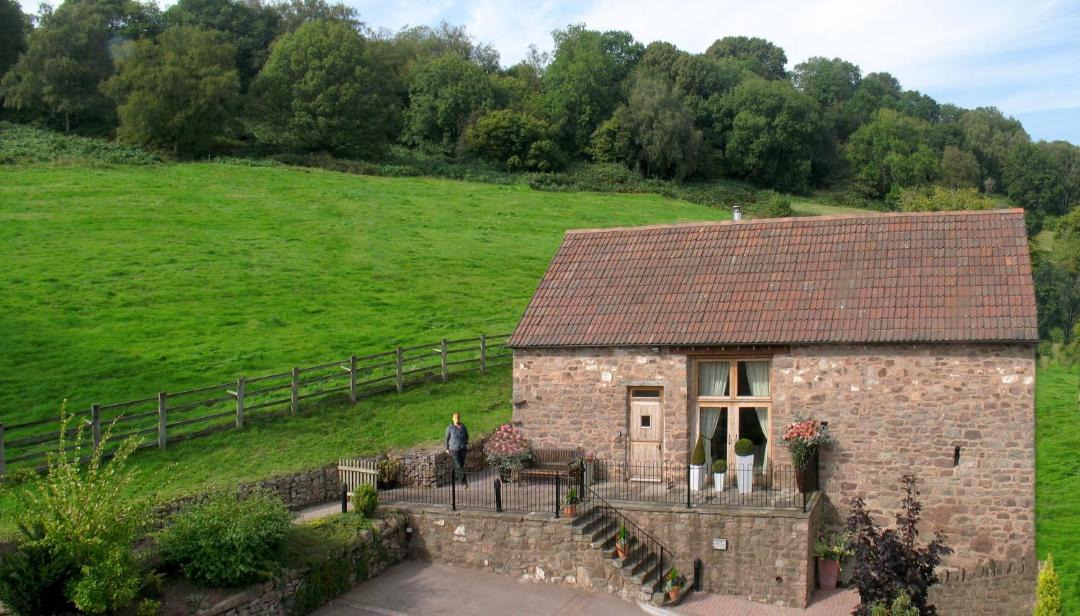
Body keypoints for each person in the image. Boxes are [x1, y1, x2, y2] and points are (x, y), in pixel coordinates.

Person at [445, 412, 469, 489]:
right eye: (455, 417)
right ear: (452, 418)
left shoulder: (463, 426)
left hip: (462, 449)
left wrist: (465, 444)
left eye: (458, 417)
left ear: (460, 418)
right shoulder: (450, 428)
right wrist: (447, 448)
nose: (456, 419)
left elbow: (467, 436)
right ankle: (464, 482)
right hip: (453, 449)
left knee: (460, 465)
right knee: (458, 465)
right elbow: (446, 439)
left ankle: (456, 477)